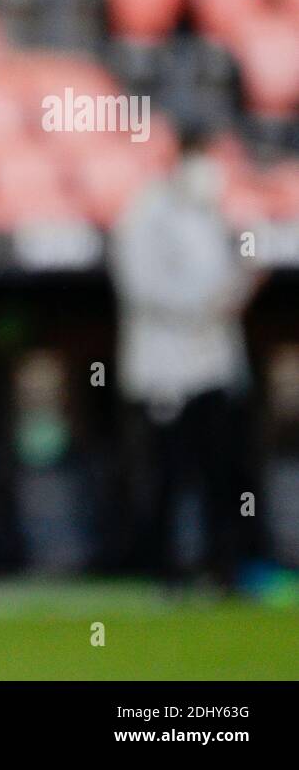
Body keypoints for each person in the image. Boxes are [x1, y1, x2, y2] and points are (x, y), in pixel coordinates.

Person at [109, 128, 264, 590]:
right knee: (168, 475)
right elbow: (142, 287)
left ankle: (226, 566)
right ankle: (165, 571)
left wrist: (239, 284)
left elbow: (233, 275)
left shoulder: (213, 214)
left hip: (214, 366)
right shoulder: (145, 214)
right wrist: (214, 300)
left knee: (223, 471)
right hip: (165, 373)